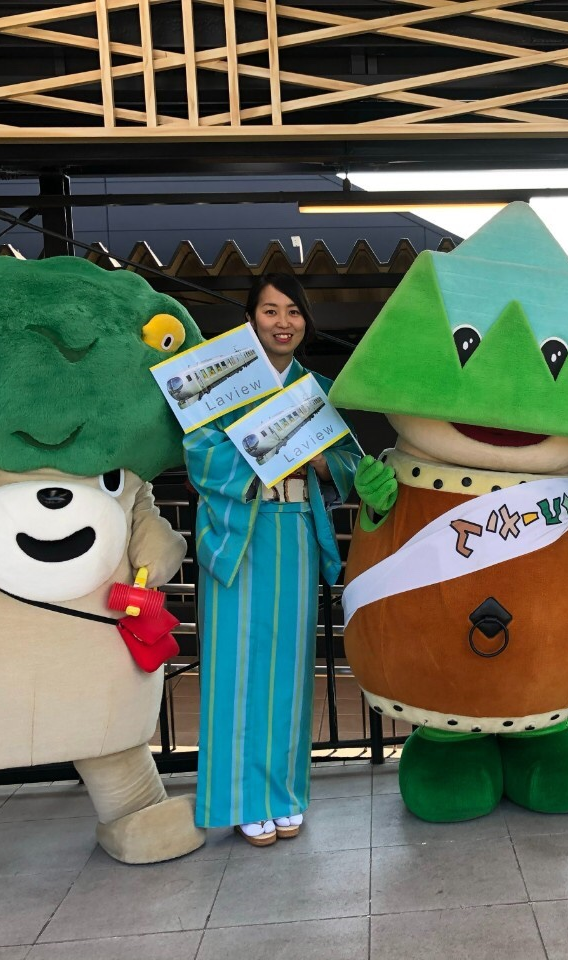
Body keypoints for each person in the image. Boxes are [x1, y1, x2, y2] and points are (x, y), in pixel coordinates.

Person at [185, 272, 360, 845]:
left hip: (294, 534)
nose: (282, 322)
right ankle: (241, 799)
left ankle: (283, 792)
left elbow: (352, 466)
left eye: (293, 311)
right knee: (235, 672)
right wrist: (261, 454)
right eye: (269, 311)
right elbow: (199, 457)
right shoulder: (226, 383)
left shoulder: (320, 389)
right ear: (250, 319)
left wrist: (318, 465)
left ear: (305, 321)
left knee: (287, 672)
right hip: (241, 534)